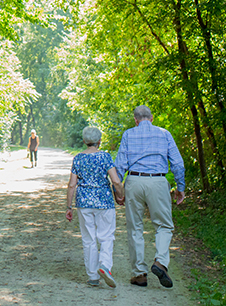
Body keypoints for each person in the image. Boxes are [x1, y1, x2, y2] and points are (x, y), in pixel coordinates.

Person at [115, 105, 186, 288]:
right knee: (164, 225)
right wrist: (180, 187)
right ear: (152, 118)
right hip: (158, 182)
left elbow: (120, 163)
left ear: (135, 120)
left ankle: (139, 274)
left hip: (134, 181)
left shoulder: (129, 134)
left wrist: (118, 190)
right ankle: (160, 261)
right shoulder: (164, 134)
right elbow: (177, 163)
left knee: (135, 227)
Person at [65, 126, 125, 288]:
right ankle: (104, 265)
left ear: (84, 141)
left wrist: (69, 207)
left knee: (89, 239)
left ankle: (92, 276)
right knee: (106, 236)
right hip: (104, 202)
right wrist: (120, 195)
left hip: (84, 203)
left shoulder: (78, 158)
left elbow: (72, 185)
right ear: (99, 141)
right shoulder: (105, 157)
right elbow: (116, 181)